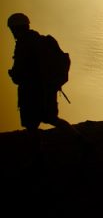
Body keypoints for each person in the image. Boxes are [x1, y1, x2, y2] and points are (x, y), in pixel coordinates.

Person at [6, 12, 87, 166]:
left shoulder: (23, 45)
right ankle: (80, 139)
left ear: (15, 29)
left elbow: (18, 74)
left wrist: (13, 74)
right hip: (47, 90)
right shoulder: (42, 41)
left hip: (30, 93)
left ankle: (38, 158)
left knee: (31, 126)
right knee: (52, 118)